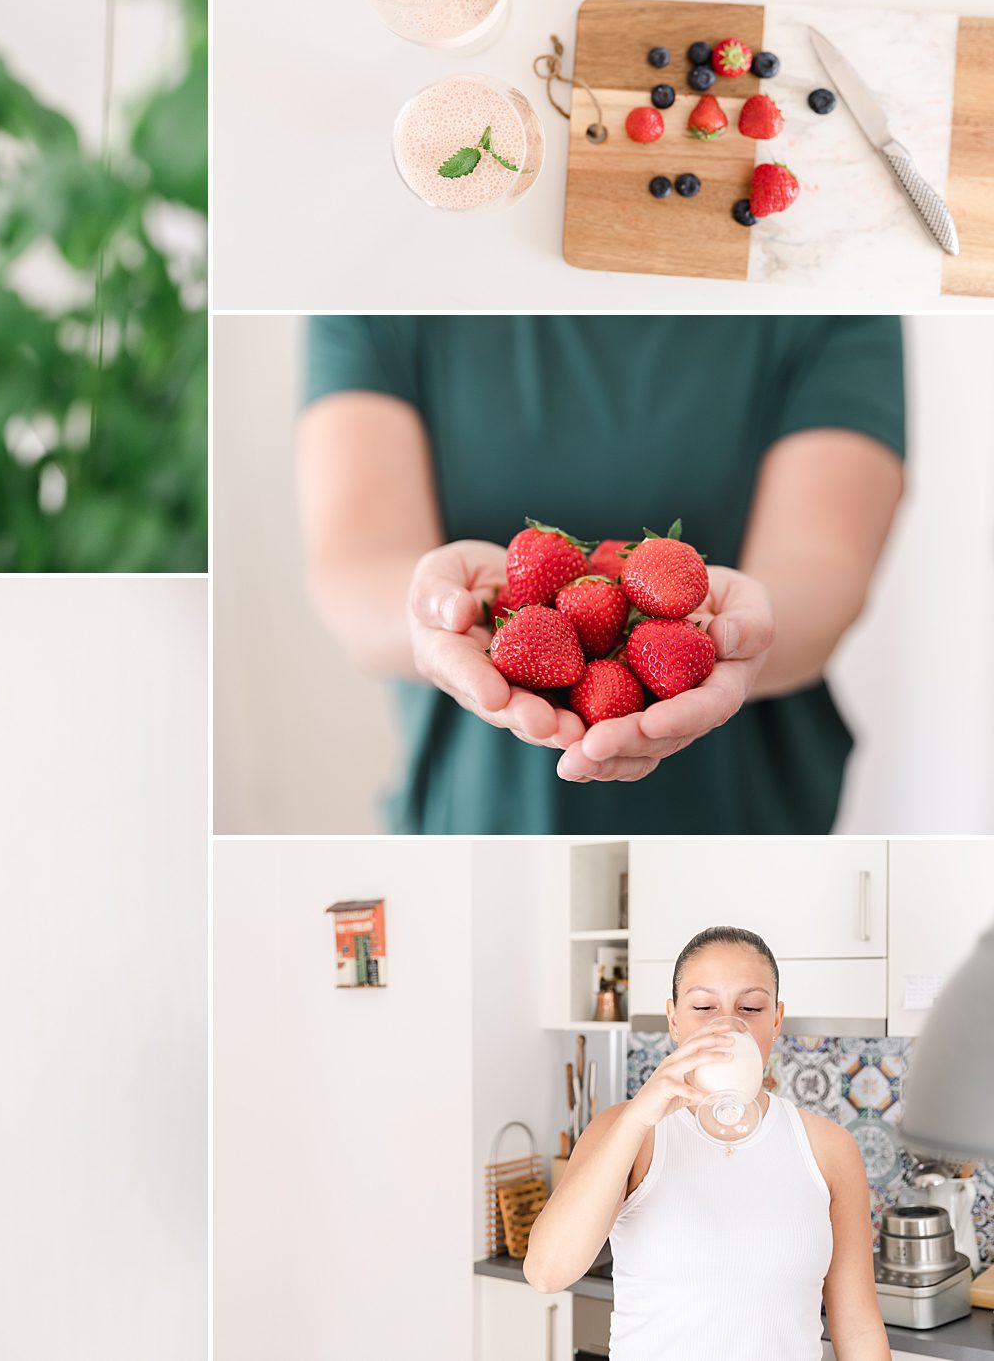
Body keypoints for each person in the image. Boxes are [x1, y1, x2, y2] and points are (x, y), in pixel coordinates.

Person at [297, 316, 904, 833]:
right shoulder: (381, 274)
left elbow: (827, 567)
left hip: (743, 808)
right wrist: (436, 613)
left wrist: (743, 632)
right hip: (482, 810)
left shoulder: (829, 274)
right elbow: (356, 570)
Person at [524, 927, 889, 1360]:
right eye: (703, 1007)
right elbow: (547, 1273)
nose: (725, 1026)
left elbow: (859, 1328)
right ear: (674, 1020)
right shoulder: (627, 1132)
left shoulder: (830, 1149)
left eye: (750, 1007)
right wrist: (640, 1113)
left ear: (776, 1020)